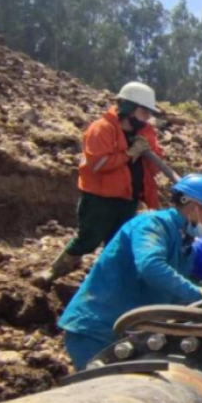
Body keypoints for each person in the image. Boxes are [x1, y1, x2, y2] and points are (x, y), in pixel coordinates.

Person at [58, 174, 202, 370]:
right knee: (100, 393)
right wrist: (198, 293)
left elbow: (173, 291)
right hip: (97, 329)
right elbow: (150, 266)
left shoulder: (185, 244)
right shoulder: (152, 225)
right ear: (193, 206)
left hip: (128, 333)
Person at [37, 82, 167, 285]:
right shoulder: (102, 129)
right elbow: (98, 164)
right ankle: (55, 270)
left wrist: (149, 152)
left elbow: (155, 166)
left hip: (128, 199)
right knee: (88, 238)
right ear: (130, 108)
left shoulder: (145, 133)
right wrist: (129, 153)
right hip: (100, 199)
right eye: (144, 112)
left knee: (118, 244)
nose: (147, 118)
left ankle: (107, 284)